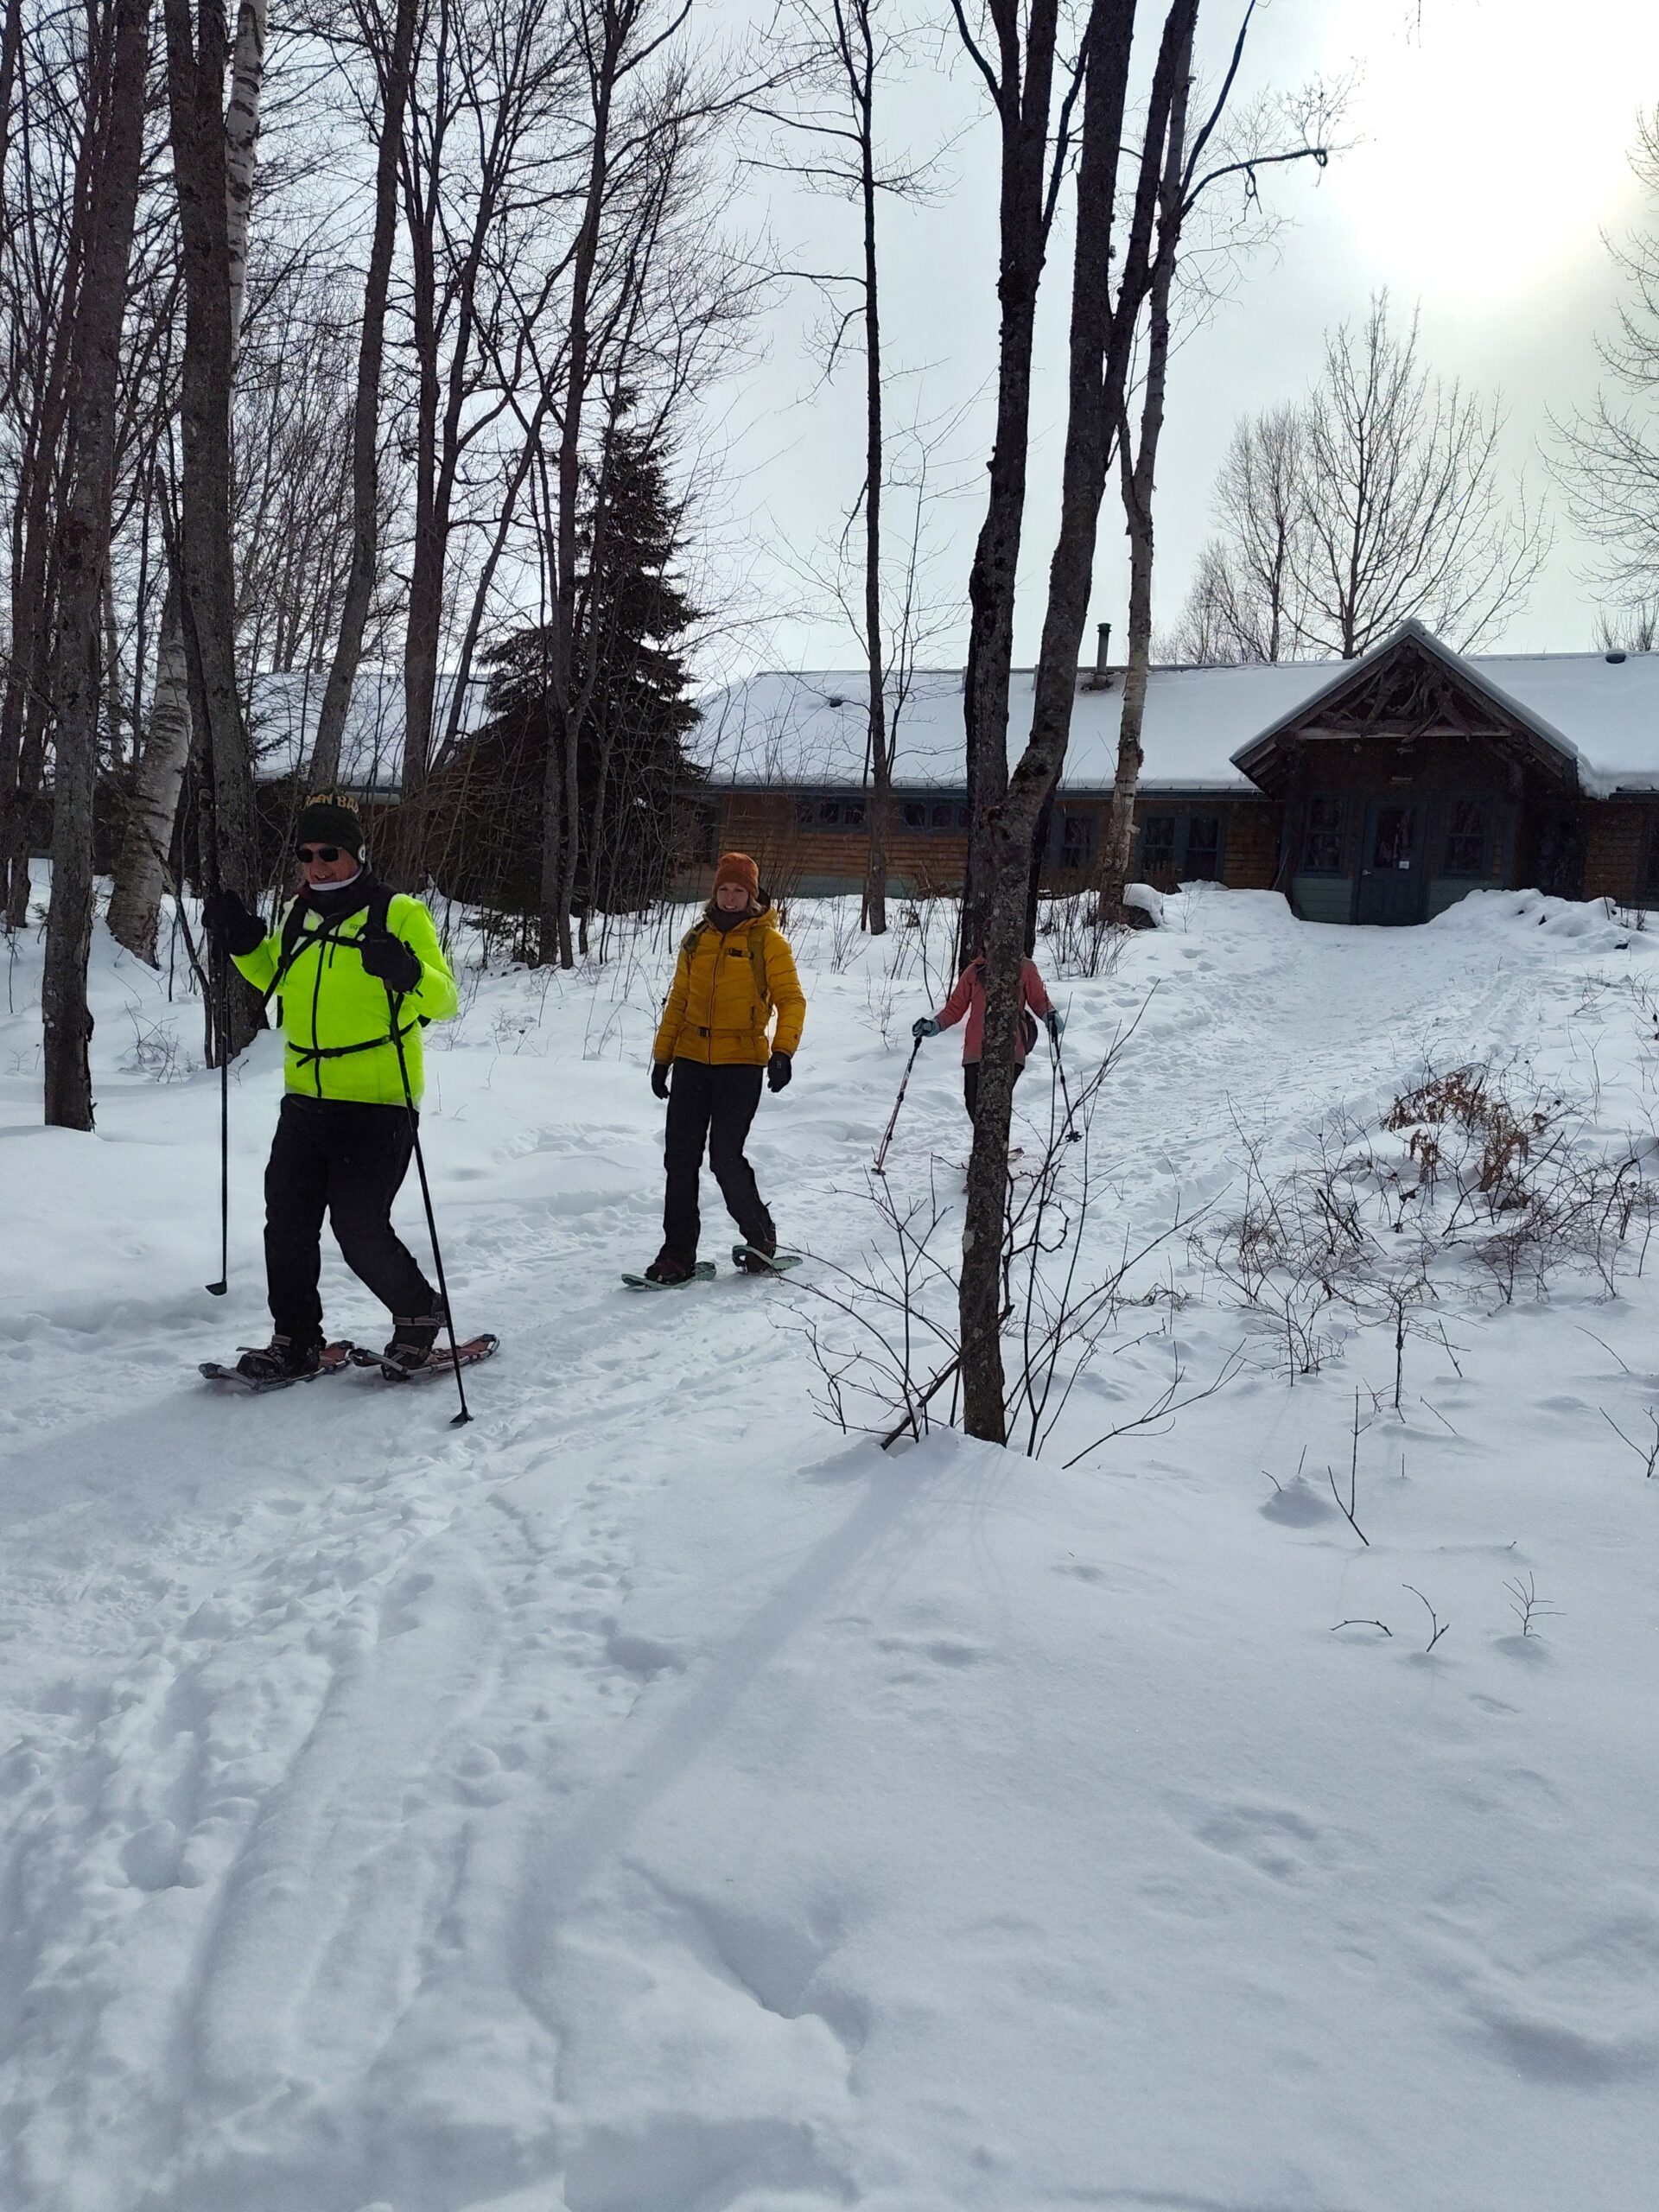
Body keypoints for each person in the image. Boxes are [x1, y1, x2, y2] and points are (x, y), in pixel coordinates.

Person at [201, 796, 461, 1379]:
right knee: (286, 1221)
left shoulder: (398, 913)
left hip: (376, 1100)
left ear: (355, 854)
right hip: (305, 1098)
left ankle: (419, 1315)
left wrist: (407, 970)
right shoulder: (299, 914)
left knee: (358, 1226)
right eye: (307, 855)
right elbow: (276, 975)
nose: (317, 866)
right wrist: (242, 938)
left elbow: (446, 999)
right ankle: (295, 1340)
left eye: (329, 853)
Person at [644, 851, 805, 1284]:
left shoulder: (767, 942)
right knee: (679, 1158)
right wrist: (663, 1058)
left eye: (739, 891)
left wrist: (783, 1051)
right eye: (724, 889)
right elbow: (678, 1000)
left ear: (752, 896)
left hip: (741, 1064)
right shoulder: (697, 938)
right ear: (714, 891)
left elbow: (791, 1000)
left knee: (724, 1158)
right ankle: (676, 1255)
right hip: (692, 1061)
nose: (731, 898)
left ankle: (760, 1238)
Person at [912, 945, 1062, 1120]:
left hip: (1010, 1049)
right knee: (973, 1105)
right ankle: (993, 1147)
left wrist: (1050, 1016)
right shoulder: (974, 971)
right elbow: (955, 1007)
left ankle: (995, 1146)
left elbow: (1038, 1000)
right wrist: (934, 1025)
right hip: (975, 1052)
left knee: (993, 1105)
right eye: (988, 936)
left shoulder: (1024, 967)